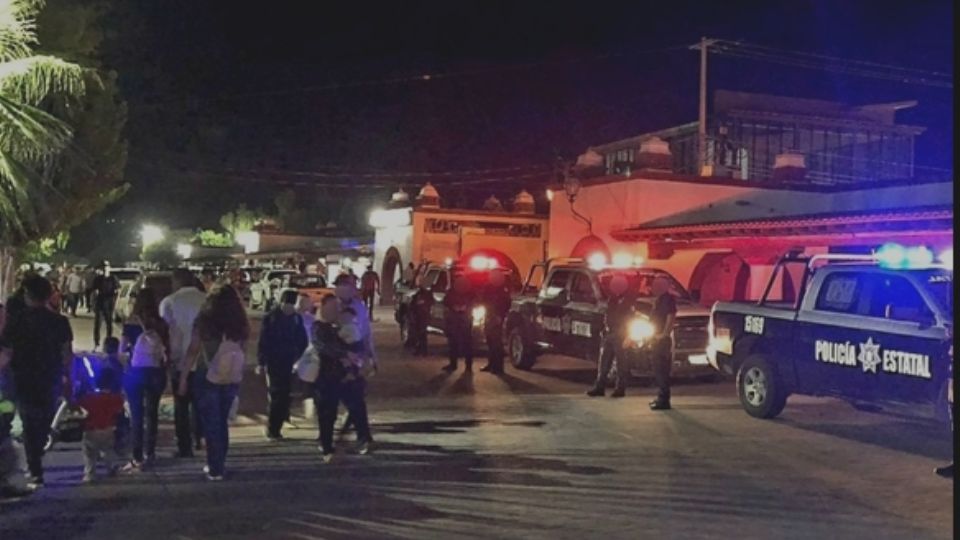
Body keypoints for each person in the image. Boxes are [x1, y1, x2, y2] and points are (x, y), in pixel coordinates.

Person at [0, 275, 74, 488]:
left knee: (28, 420)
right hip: (49, 377)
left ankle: (34, 467)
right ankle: (35, 462)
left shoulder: (16, 322)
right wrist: (69, 377)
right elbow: (67, 354)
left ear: (26, 294)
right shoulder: (60, 322)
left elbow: (6, 354)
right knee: (43, 421)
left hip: (21, 378)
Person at [178, 285, 249, 481]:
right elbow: (242, 350)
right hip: (231, 378)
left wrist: (184, 377)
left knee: (212, 424)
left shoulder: (204, 321)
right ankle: (220, 464)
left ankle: (215, 467)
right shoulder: (240, 323)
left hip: (207, 375)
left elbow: (193, 350)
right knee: (222, 422)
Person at [120, 288, 170, 471]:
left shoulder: (131, 323)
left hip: (136, 373)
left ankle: (136, 457)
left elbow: (121, 350)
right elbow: (167, 349)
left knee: (136, 415)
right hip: (156, 372)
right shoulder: (161, 324)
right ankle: (151, 453)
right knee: (152, 414)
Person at [161, 268, 207, 458]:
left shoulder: (169, 302)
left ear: (177, 281)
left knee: (181, 405)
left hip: (180, 359)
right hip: (204, 360)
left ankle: (184, 446)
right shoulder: (206, 299)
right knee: (200, 403)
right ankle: (199, 437)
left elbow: (166, 331)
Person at [257, 290, 308, 441]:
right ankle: (273, 428)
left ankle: (277, 426)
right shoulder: (271, 318)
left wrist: (300, 357)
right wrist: (261, 361)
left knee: (285, 395)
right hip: (274, 361)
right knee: (277, 394)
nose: (289, 308)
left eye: (292, 305)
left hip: (290, 362)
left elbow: (302, 340)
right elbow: (263, 341)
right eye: (287, 304)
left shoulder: (296, 319)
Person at [332, 274, 376, 448]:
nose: (344, 289)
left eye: (347, 286)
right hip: (334, 360)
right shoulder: (330, 306)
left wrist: (371, 357)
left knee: (356, 398)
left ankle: (363, 436)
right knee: (336, 399)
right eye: (340, 285)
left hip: (355, 360)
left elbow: (366, 333)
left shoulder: (359, 307)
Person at [311, 295, 348, 463]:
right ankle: (326, 445)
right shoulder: (318, 327)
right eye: (332, 307)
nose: (336, 311)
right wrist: (345, 354)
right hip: (322, 375)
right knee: (325, 411)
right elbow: (324, 348)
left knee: (332, 412)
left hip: (337, 376)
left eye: (337, 308)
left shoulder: (335, 327)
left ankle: (327, 441)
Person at [587, 274, 635, 398]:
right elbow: (607, 315)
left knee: (621, 363)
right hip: (610, 333)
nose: (615, 287)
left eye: (618, 285)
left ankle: (620, 389)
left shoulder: (629, 301)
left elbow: (631, 320)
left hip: (621, 334)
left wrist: (629, 336)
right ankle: (600, 387)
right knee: (604, 362)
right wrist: (604, 329)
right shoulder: (612, 299)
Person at [76, 369, 125, 483]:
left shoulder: (91, 398)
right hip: (108, 428)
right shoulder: (114, 398)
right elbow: (119, 408)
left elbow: (79, 404)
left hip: (91, 429)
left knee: (89, 454)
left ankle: (90, 474)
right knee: (108, 450)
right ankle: (111, 467)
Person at [648, 276, 677, 410]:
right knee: (657, 369)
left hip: (661, 340)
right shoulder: (658, 300)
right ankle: (660, 397)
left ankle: (664, 400)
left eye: (659, 285)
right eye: (654, 285)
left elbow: (670, 317)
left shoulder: (668, 299)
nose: (655, 288)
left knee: (662, 370)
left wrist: (664, 334)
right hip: (655, 337)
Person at [480, 269, 511, 374]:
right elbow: (483, 299)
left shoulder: (503, 290)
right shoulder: (487, 287)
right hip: (489, 315)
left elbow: (506, 304)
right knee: (489, 341)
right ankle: (491, 364)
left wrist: (500, 316)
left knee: (496, 343)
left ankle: (498, 367)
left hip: (497, 317)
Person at [442, 275, 475, 372]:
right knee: (453, 343)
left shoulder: (471, 293)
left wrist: (466, 307)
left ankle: (468, 366)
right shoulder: (452, 291)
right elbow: (446, 301)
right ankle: (453, 364)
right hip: (454, 320)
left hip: (465, 319)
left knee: (466, 343)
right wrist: (454, 306)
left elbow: (475, 302)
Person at [90, 265, 120, 349]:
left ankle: (109, 341)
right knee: (97, 324)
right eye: (104, 269)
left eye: (107, 268)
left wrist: (115, 301)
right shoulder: (98, 279)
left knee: (109, 324)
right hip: (100, 304)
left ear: (109, 269)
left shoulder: (113, 278)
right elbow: (94, 291)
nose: (105, 270)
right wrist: (93, 303)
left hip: (109, 304)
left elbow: (117, 290)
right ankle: (96, 342)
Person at [409, 278, 433, 357]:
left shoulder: (427, 294)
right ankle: (420, 349)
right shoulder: (417, 294)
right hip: (418, 316)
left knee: (422, 333)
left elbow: (430, 303)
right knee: (419, 333)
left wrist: (423, 305)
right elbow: (412, 305)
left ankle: (423, 350)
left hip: (423, 316)